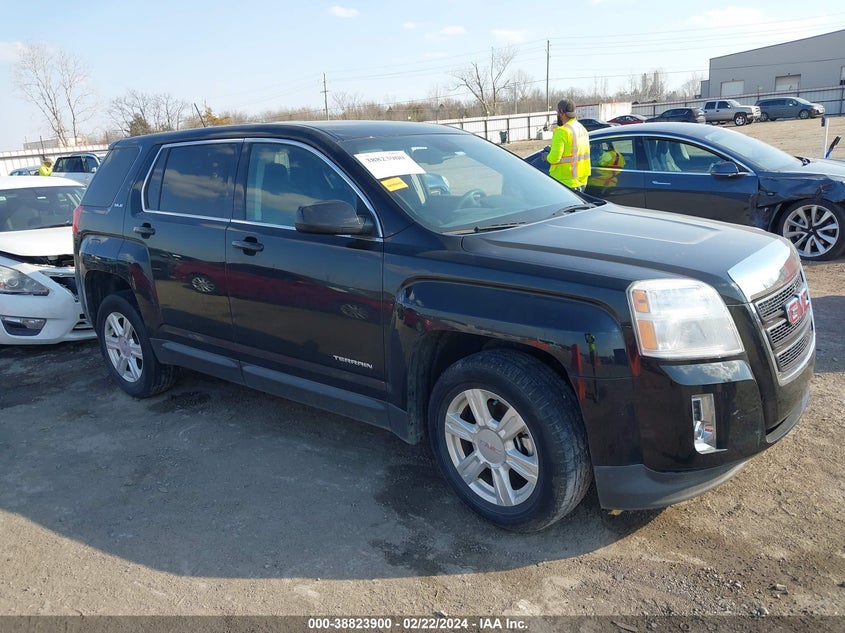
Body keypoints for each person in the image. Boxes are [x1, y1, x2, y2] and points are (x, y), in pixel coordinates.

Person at [546, 99, 591, 191]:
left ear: (561, 112)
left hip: (565, 182)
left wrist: (546, 156)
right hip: (582, 180)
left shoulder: (562, 131)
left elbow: (554, 158)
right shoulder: (582, 128)